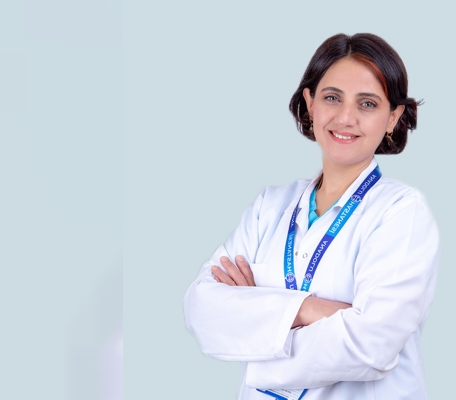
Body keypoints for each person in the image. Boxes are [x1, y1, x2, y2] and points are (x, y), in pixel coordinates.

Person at [183, 33, 440, 400]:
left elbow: (370, 346)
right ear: (310, 103)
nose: (345, 117)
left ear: (392, 118)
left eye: (367, 103)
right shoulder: (269, 207)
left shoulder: (401, 212)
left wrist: (258, 326)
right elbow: (201, 308)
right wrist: (309, 309)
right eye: (332, 97)